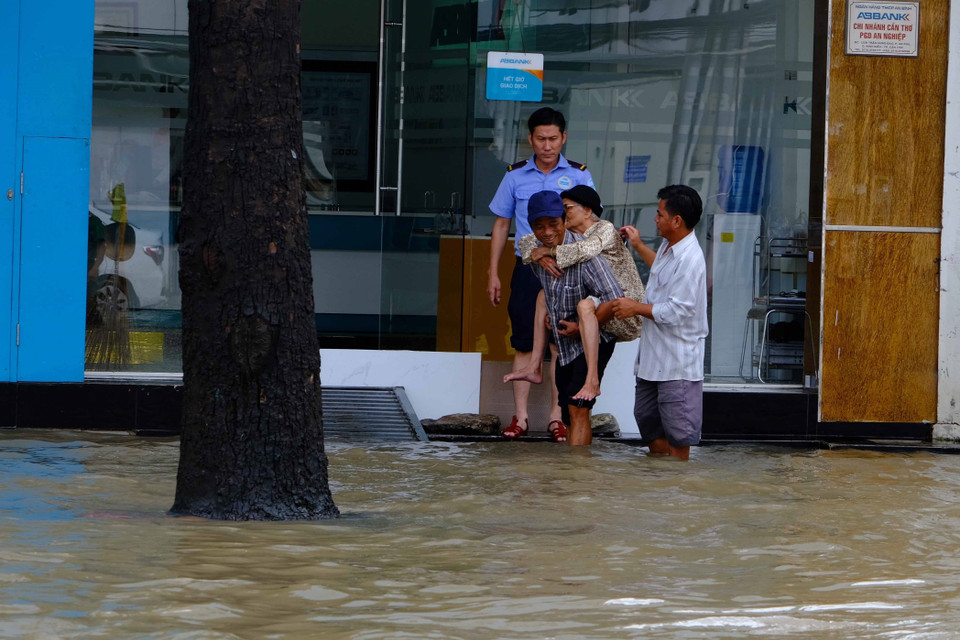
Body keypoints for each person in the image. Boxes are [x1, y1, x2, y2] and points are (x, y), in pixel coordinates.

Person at [488, 107, 595, 441]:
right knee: (523, 340)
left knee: (559, 343)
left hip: (567, 270)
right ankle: (519, 417)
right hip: (528, 268)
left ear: (563, 137)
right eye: (540, 139)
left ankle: (555, 416)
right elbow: (502, 223)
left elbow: (589, 225)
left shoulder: (579, 175)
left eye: (553, 138)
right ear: (530, 139)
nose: (547, 146)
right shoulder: (515, 176)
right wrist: (492, 272)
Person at [509, 184, 644, 403]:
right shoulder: (567, 235)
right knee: (543, 296)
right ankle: (534, 365)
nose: (562, 214)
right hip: (599, 300)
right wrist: (539, 256)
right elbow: (525, 241)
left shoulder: (604, 229)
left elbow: (585, 250)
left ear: (588, 211)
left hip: (623, 307)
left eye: (567, 208)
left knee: (584, 307)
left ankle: (591, 381)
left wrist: (547, 250)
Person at [612, 185, 708, 460]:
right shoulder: (670, 246)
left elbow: (677, 312)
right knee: (649, 426)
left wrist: (635, 308)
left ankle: (675, 492)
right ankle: (658, 487)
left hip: (677, 365)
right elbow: (662, 271)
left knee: (679, 434)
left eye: (659, 214)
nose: (655, 218)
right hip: (652, 361)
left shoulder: (691, 259)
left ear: (676, 221)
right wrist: (638, 245)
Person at [525, 190, 624, 446]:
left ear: (564, 220)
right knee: (569, 413)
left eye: (553, 224)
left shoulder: (586, 255)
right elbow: (524, 247)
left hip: (596, 338)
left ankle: (579, 478)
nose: (546, 232)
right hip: (564, 345)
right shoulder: (538, 254)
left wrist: (581, 326)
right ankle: (573, 474)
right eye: (539, 226)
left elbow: (614, 301)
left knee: (579, 408)